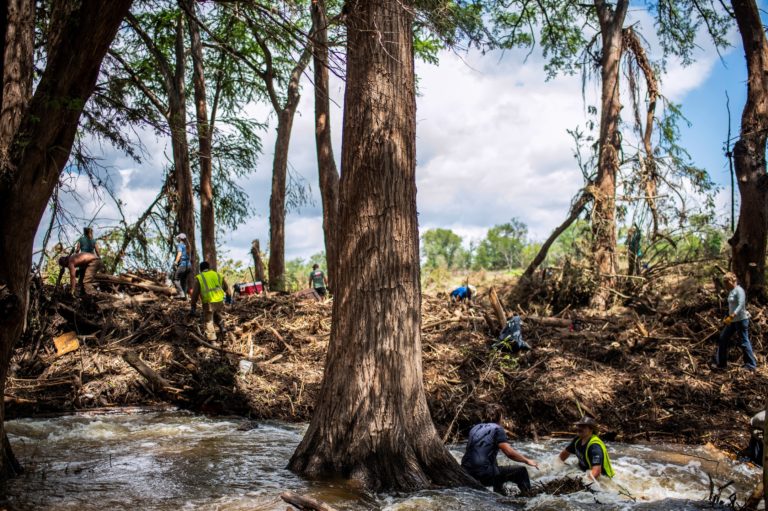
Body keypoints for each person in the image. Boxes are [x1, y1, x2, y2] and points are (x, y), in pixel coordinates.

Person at [461, 404, 539, 495]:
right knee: (521, 471)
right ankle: (528, 497)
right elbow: (509, 453)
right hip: (483, 475)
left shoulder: (474, 428)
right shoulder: (497, 429)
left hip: (466, 472)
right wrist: (527, 460)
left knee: (495, 467)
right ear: (500, 416)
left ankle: (499, 495)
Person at [712, 272, 757, 372]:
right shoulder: (731, 291)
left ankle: (751, 365)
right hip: (732, 321)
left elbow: (741, 304)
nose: (726, 285)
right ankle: (721, 364)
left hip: (741, 320)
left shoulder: (739, 290)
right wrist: (729, 317)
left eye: (727, 283)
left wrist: (733, 315)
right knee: (723, 338)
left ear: (733, 281)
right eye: (724, 283)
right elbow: (732, 305)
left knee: (744, 342)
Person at [558, 416, 614, 481]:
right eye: (579, 426)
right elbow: (564, 454)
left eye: (583, 427)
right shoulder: (577, 440)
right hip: (584, 472)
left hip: (603, 480)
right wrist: (556, 468)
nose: (579, 428)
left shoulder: (594, 446)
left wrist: (584, 482)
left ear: (591, 429)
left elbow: (596, 471)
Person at [189, 261, 231, 341]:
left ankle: (212, 341)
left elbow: (195, 294)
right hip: (219, 301)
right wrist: (229, 298)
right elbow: (227, 288)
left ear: (200, 269)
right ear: (209, 268)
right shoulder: (217, 275)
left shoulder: (200, 277)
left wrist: (193, 306)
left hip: (208, 302)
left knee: (209, 321)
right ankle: (223, 329)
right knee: (217, 314)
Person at [173, 233, 192, 299]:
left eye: (178, 238)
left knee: (176, 279)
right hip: (189, 266)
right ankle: (184, 297)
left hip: (183, 265)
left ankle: (181, 294)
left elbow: (179, 254)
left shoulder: (180, 245)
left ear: (179, 238)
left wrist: (175, 262)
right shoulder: (187, 246)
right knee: (183, 280)